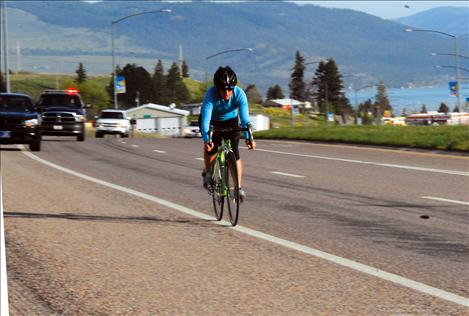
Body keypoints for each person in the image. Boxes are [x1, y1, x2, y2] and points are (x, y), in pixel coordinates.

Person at [200, 66, 256, 202]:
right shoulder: (210, 95)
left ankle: (238, 188)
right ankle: (208, 173)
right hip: (212, 121)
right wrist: (207, 139)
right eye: (223, 90)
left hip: (231, 121)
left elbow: (244, 119)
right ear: (217, 88)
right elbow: (205, 120)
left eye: (230, 89)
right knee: (211, 149)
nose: (227, 93)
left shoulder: (240, 94)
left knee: (234, 152)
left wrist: (249, 138)